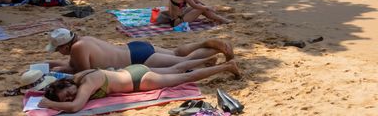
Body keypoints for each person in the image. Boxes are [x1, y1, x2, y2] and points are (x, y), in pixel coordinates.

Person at [38, 58, 240, 113]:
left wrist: (50, 104)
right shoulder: (79, 77)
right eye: (67, 98)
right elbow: (69, 97)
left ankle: (226, 66)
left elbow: (75, 107)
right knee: (177, 67)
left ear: (64, 84)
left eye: (67, 94)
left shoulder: (86, 83)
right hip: (133, 70)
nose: (70, 97)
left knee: (184, 77)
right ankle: (209, 59)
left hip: (139, 81)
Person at [44, 28, 234, 74]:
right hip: (135, 47)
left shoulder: (77, 49)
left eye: (58, 49)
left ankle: (212, 52)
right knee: (176, 53)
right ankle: (206, 44)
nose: (58, 53)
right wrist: (47, 66)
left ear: (66, 46)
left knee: (181, 64)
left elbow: (84, 72)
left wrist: (61, 71)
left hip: (137, 60)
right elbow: (71, 64)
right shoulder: (84, 40)